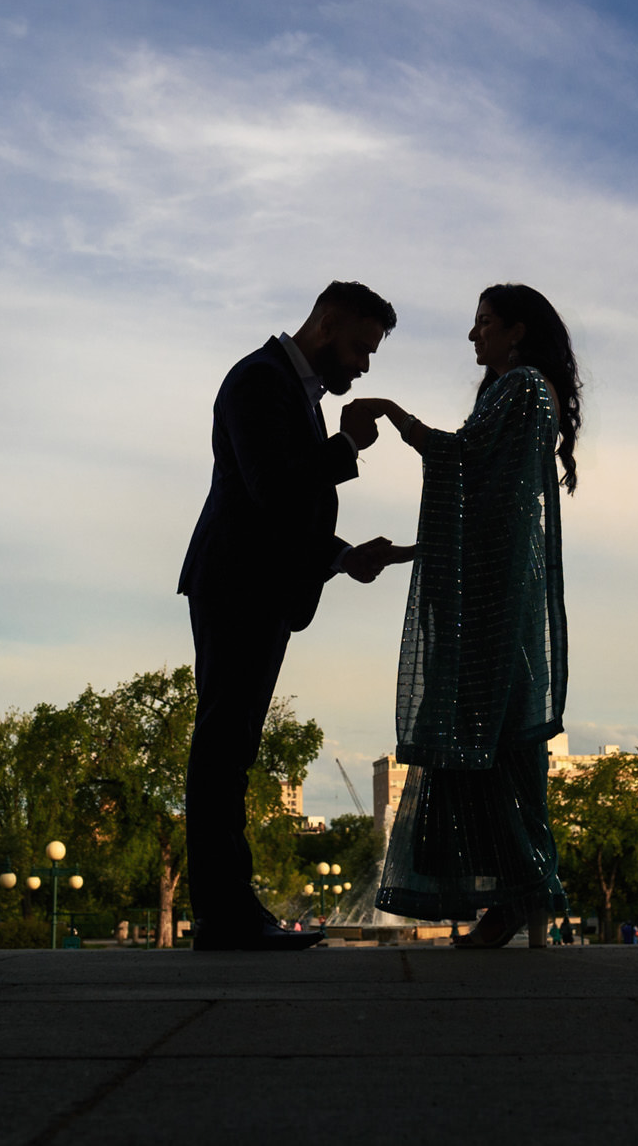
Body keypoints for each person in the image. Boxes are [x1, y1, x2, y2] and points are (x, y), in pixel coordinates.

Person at [178, 281, 412, 951]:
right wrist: (347, 448)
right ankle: (225, 918)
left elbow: (278, 515)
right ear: (328, 324)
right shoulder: (259, 379)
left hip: (253, 583)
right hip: (237, 587)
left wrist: (341, 559)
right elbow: (272, 487)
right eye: (361, 348)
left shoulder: (284, 386)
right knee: (223, 749)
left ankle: (231, 912)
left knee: (231, 750)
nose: (364, 366)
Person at [347, 283, 579, 950]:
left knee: (492, 735)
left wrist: (391, 412)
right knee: (496, 738)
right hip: (497, 582)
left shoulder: (525, 387)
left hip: (495, 595)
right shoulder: (524, 391)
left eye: (483, 325)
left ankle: (521, 894)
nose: (472, 338)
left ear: (517, 331)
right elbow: (480, 487)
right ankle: (519, 900)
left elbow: (463, 460)